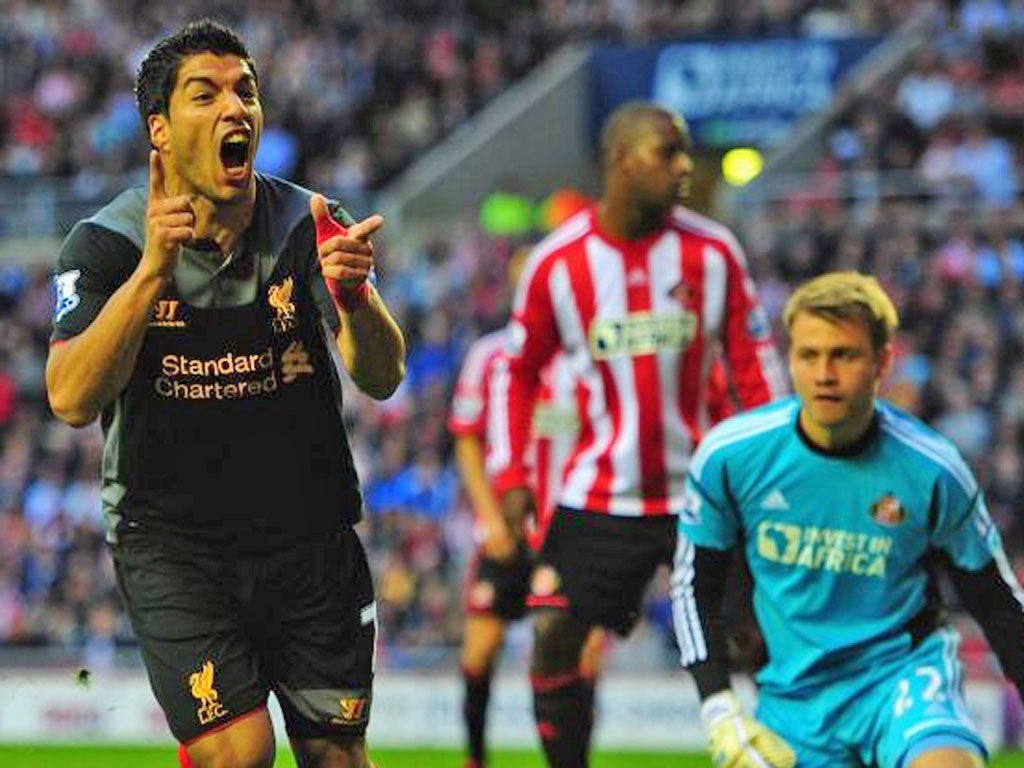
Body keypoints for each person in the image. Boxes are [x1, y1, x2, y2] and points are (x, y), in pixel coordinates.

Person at [44, 19, 405, 768]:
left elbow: (381, 376)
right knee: (237, 754)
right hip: (175, 544)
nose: (234, 108)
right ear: (161, 131)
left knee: (336, 755)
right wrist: (151, 273)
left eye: (246, 91)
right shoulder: (105, 244)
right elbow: (71, 399)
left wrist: (357, 299)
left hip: (309, 536)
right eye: (204, 95)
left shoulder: (309, 223)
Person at [494, 100, 787, 768]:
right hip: (603, 496)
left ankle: (795, 752)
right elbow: (518, 374)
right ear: (621, 161)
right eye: (668, 152)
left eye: (687, 152)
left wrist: (778, 463)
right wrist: (512, 476)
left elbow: (755, 369)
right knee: (555, 637)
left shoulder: (713, 253)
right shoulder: (556, 264)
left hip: (706, 493)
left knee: (763, 641)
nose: (685, 166)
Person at [673, 272, 1024, 768]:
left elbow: (997, 602)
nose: (823, 374)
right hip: (792, 701)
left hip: (902, 681)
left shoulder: (933, 470)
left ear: (882, 362)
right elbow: (693, 585)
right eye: (808, 355)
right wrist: (718, 707)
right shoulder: (730, 457)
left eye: (844, 355)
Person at [448, 252, 607, 768]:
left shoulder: (589, 363)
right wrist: (490, 517)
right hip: (506, 535)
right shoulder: (489, 356)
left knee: (571, 659)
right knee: (479, 653)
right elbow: (467, 440)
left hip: (570, 539)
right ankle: (475, 759)